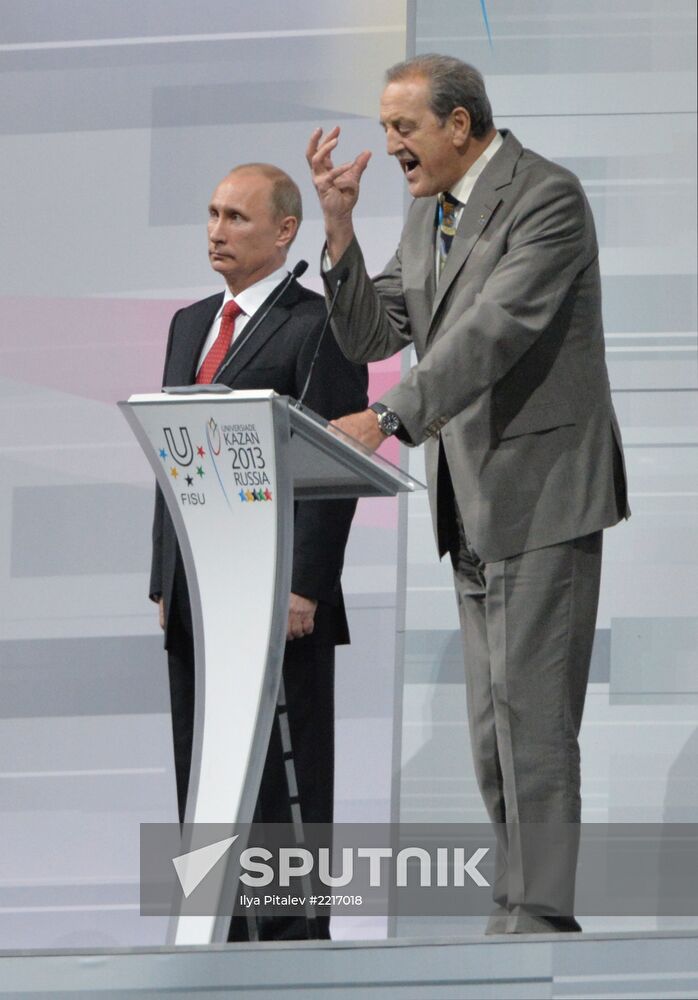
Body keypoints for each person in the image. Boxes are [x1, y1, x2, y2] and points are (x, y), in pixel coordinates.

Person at [307, 54, 629, 933]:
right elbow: (377, 328)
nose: (391, 146)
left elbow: (496, 331)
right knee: (493, 724)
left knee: (532, 718)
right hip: (472, 500)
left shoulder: (546, 197)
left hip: (544, 492)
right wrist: (338, 230)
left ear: (459, 123)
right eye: (384, 129)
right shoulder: (426, 215)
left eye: (403, 127)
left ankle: (545, 910)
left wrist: (389, 416)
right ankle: (518, 900)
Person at [149, 163, 368, 939]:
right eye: (211, 214)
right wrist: (163, 577)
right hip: (199, 597)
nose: (216, 230)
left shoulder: (321, 326)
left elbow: (338, 462)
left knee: (283, 788)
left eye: (236, 217)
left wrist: (305, 584)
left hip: (280, 601)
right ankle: (217, 939)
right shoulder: (187, 324)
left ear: (284, 232)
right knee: (204, 783)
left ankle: (292, 949)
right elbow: (171, 453)